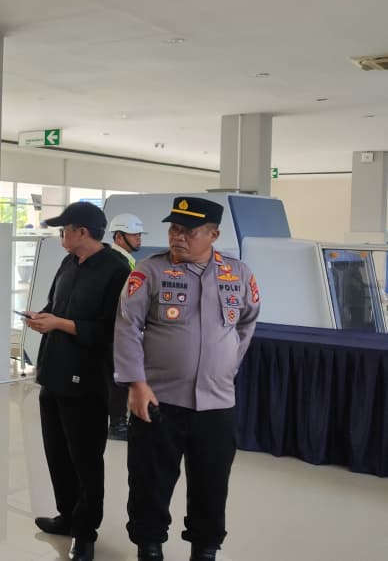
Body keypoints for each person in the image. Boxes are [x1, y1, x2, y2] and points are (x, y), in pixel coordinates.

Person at [114, 197, 260, 561]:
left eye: (188, 231)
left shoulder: (238, 274)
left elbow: (246, 323)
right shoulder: (149, 270)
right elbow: (127, 327)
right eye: (174, 229)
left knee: (212, 483)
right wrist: (136, 383)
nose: (177, 237)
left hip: (217, 403)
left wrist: (227, 366)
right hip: (158, 400)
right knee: (149, 481)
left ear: (214, 235)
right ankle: (149, 547)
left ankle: (205, 549)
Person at [27, 202, 131, 561]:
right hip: (53, 373)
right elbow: (55, 304)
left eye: (64, 229)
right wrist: (43, 318)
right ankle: (67, 515)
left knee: (85, 458)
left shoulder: (116, 269)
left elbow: (112, 330)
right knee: (56, 452)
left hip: (87, 380)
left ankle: (85, 532)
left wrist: (60, 324)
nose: (61, 236)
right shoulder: (69, 263)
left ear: (82, 232)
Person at [105, 213, 145, 440]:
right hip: (116, 329)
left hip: (117, 328)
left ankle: (117, 421)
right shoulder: (118, 263)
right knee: (118, 377)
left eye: (139, 234)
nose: (139, 238)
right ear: (119, 236)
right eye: (134, 234)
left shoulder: (122, 259)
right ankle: (117, 425)